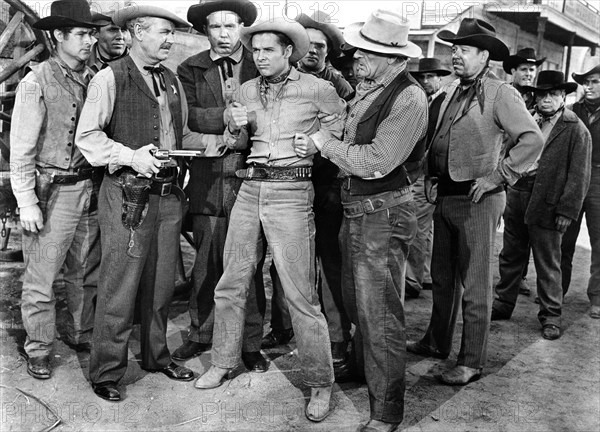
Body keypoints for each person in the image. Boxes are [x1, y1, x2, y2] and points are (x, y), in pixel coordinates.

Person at [194, 17, 346, 423]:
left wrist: (316, 142)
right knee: (231, 282)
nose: (259, 57)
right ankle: (223, 361)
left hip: (292, 193)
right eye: (255, 50)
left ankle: (319, 382)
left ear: (288, 53)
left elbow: (345, 132)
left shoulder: (318, 89)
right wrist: (233, 128)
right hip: (249, 189)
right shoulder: (246, 89)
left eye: (267, 51)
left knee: (299, 293)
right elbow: (238, 143)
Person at [75, 4, 220, 402]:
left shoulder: (171, 80)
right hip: (127, 194)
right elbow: (87, 139)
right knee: (119, 284)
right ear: (137, 32)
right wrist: (131, 155)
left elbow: (182, 136)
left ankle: (157, 356)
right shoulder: (109, 78)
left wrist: (221, 141)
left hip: (169, 195)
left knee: (160, 284)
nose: (170, 40)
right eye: (162, 32)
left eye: (172, 34)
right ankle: (106, 370)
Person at [407, 18, 544, 385]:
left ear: (484, 56)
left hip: (478, 198)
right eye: (454, 49)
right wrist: (432, 176)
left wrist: (499, 176)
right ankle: (437, 342)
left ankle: (471, 361)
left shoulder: (501, 93)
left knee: (476, 283)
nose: (455, 56)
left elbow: (532, 139)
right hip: (446, 195)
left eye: (463, 50)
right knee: (442, 277)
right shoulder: (450, 90)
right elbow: (439, 139)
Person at [312, 9, 428, 431]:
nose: (358, 55)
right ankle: (365, 374)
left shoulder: (408, 98)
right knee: (359, 304)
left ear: (396, 58)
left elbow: (376, 162)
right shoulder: (369, 86)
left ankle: (387, 411)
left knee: (380, 316)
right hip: (359, 212)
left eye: (370, 51)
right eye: (361, 47)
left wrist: (323, 143)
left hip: (381, 215)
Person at [10, 0, 103, 381]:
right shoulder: (36, 82)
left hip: (91, 188)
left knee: (85, 270)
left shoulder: (96, 76)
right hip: (53, 191)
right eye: (81, 34)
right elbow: (21, 148)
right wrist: (26, 201)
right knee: (41, 276)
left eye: (91, 34)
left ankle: (81, 333)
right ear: (59, 36)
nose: (88, 41)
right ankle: (40, 348)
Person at [173, 0, 268, 373]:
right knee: (207, 262)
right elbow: (187, 114)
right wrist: (224, 117)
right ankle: (201, 333)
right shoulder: (190, 68)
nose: (224, 34)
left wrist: (246, 127)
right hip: (208, 180)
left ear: (243, 26)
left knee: (250, 265)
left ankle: (250, 343)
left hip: (251, 179)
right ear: (205, 30)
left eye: (231, 26)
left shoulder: (258, 61)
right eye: (216, 27)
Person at [491, 71, 591, 340]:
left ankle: (551, 316)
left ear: (563, 97)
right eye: (542, 94)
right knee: (511, 254)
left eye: (554, 94)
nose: (547, 99)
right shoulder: (526, 119)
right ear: (534, 96)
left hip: (548, 202)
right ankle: (503, 303)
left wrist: (567, 210)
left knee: (548, 262)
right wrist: (504, 187)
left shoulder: (575, 129)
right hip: (518, 193)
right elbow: (506, 152)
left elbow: (579, 175)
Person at [500, 47, 547, 296]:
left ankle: (521, 276)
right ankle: (508, 277)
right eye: (524, 69)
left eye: (532, 69)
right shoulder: (505, 94)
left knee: (524, 227)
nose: (529, 74)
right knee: (509, 228)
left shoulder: (537, 98)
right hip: (504, 165)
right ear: (513, 71)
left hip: (528, 170)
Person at [405, 57, 452, 299]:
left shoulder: (444, 102)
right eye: (422, 77)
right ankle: (424, 274)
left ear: (440, 78)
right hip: (424, 172)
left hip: (428, 173)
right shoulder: (425, 100)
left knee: (417, 225)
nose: (425, 81)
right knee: (426, 227)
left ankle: (412, 279)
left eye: (430, 76)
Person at [562, 64, 600, 319]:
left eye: (595, 81)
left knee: (599, 241)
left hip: (599, 179)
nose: (589, 86)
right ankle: (557, 291)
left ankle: (597, 296)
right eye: (586, 81)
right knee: (563, 238)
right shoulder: (572, 112)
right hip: (573, 178)